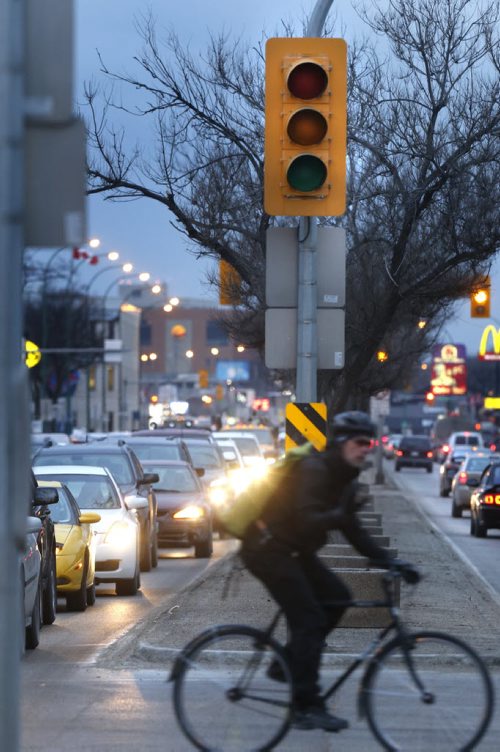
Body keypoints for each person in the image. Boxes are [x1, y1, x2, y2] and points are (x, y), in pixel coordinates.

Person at [240, 411, 419, 733]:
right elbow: (308, 519)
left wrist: (393, 562)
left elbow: (354, 531)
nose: (367, 449)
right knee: (309, 619)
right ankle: (307, 705)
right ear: (341, 442)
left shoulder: (345, 479)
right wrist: (339, 515)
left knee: (338, 598)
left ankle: (289, 664)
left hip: (294, 551)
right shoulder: (314, 470)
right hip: (267, 549)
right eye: (360, 442)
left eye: (370, 443)